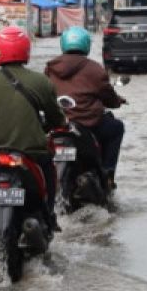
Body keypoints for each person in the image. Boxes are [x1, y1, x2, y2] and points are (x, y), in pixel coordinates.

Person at [0, 26, 67, 227]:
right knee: (49, 170)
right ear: (26, 50)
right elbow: (56, 118)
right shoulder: (41, 81)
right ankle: (49, 216)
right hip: (31, 153)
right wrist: (51, 126)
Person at [45, 27, 127, 187]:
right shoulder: (95, 69)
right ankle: (108, 175)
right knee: (117, 127)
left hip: (58, 124)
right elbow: (108, 97)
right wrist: (117, 101)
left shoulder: (50, 68)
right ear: (86, 45)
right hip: (87, 125)